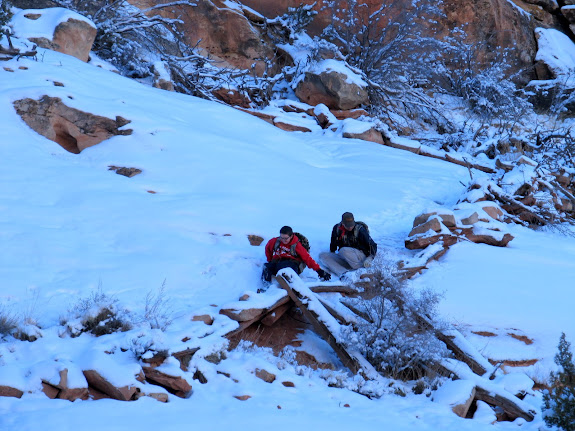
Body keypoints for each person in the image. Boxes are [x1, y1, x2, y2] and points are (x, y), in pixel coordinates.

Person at [262, 226, 331, 283]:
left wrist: (319, 270)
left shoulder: (297, 245)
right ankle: (266, 285)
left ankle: (290, 285)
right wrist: (270, 260)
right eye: (281, 237)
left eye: (286, 238)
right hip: (279, 263)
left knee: (285, 267)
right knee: (266, 267)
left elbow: (307, 258)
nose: (283, 240)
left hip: (292, 265)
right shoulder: (275, 241)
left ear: (291, 236)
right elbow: (267, 249)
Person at [319, 212, 377, 278]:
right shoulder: (337, 229)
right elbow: (333, 245)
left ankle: (361, 270)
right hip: (345, 258)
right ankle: (344, 273)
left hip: (360, 258)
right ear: (343, 223)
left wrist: (369, 258)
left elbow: (373, 245)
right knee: (322, 255)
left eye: (351, 225)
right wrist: (332, 257)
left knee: (343, 250)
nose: (350, 227)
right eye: (347, 225)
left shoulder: (360, 230)